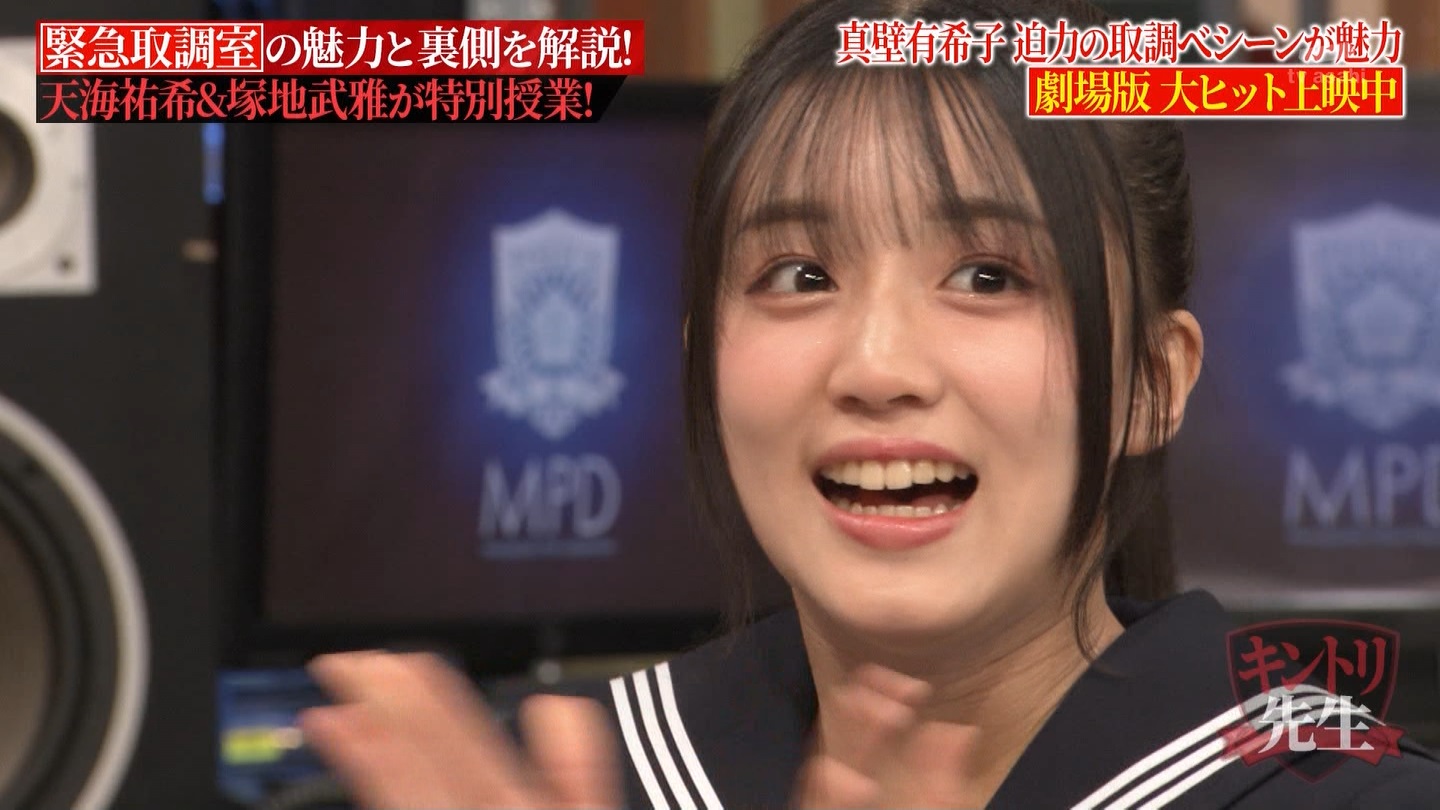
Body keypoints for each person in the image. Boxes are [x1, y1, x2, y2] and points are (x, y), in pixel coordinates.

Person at [297, 0, 1440, 807]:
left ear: (1154, 380)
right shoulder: (537, 781)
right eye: (800, 275)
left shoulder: (1344, 791)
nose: (877, 364)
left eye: (988, 276)